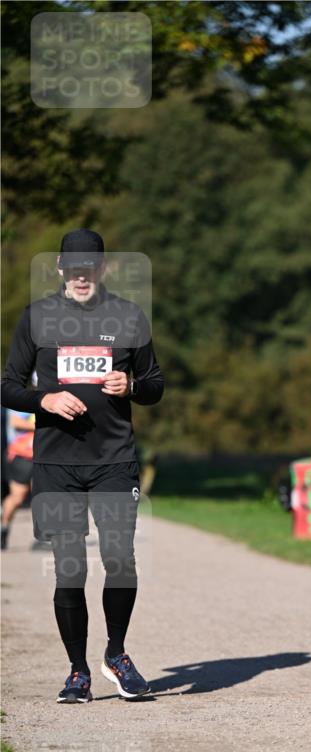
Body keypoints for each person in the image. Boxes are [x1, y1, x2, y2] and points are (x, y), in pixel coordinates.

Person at [1, 228, 164, 703]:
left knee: (119, 560)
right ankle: (77, 672)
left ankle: (115, 653)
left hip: (114, 460)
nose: (80, 277)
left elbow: (155, 384)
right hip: (56, 463)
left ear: (102, 269)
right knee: (69, 569)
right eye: (72, 269)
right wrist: (45, 399)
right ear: (59, 270)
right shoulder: (37, 318)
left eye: (88, 268)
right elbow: (8, 384)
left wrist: (130, 386)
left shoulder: (129, 317)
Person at [1, 409, 35, 549]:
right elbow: (15, 422)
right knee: (17, 497)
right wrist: (45, 425)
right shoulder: (26, 400)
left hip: (43, 457)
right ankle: (4, 527)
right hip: (21, 455)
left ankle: (43, 537)